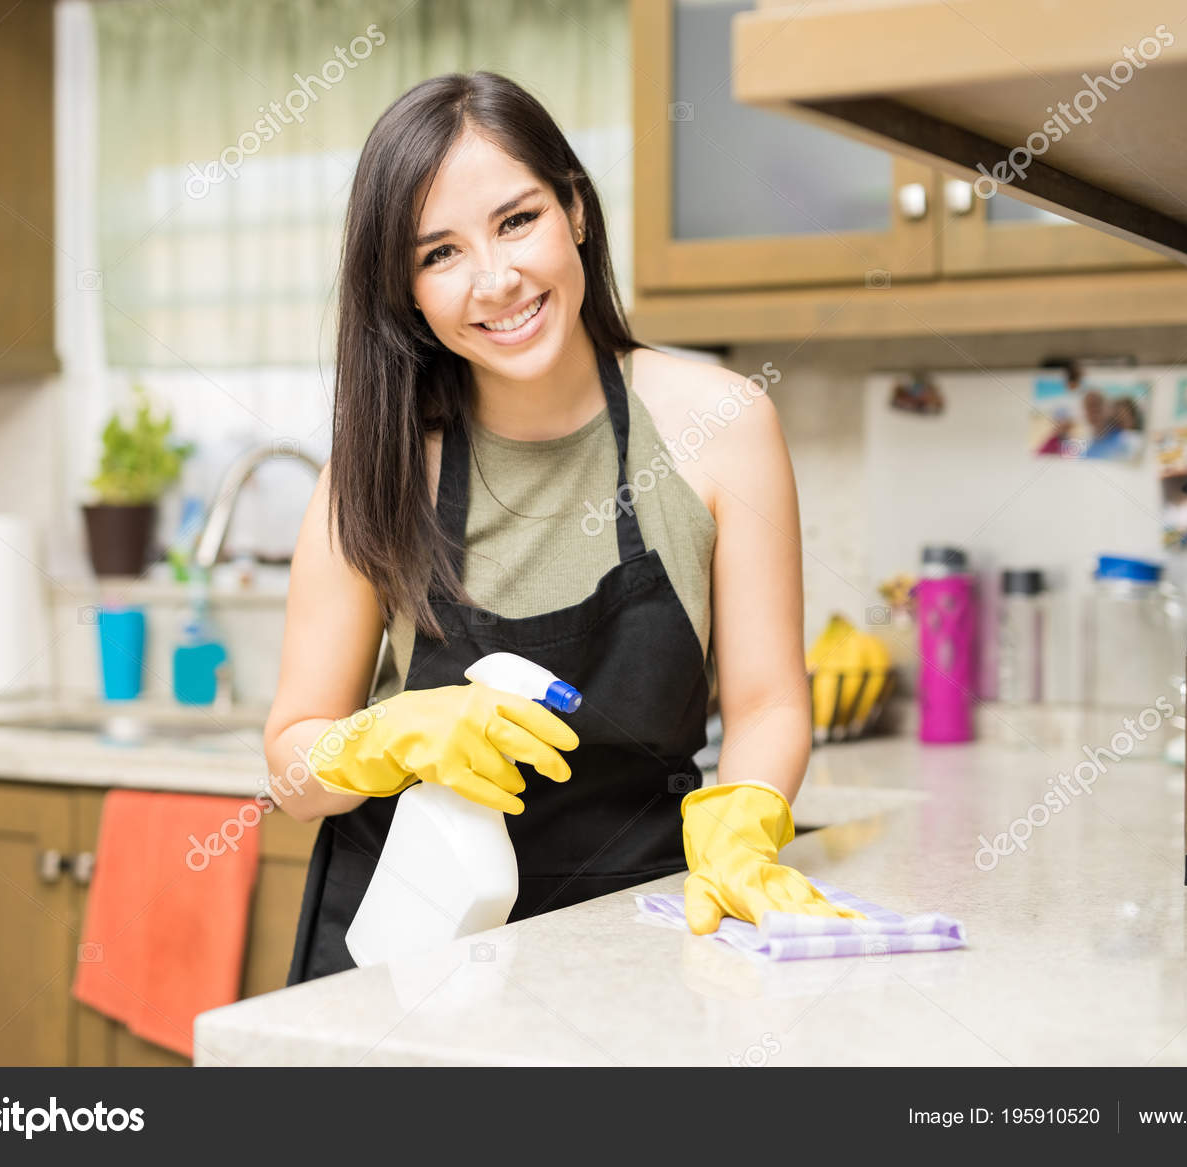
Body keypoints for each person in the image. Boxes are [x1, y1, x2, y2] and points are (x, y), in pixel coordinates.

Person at [265, 72, 861, 983]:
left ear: (575, 209)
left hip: (632, 941)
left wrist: (747, 817)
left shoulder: (722, 426)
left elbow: (771, 703)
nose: (496, 279)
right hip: (400, 955)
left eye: (517, 220)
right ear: (407, 292)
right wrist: (387, 738)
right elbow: (293, 770)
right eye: (440, 254)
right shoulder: (377, 467)